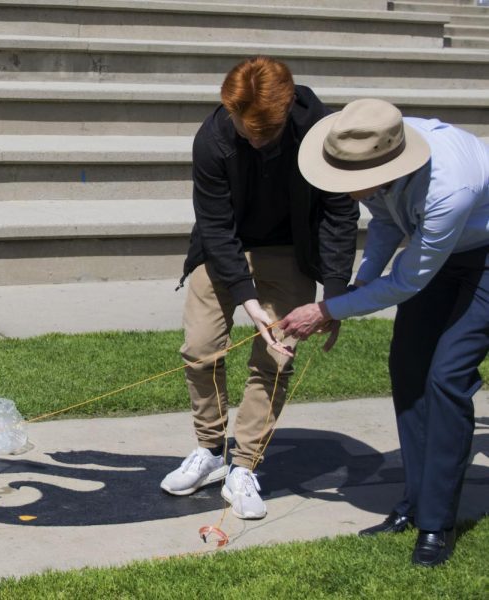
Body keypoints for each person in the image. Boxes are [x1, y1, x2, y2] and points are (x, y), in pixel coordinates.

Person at [281, 98, 489, 566]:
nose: (348, 191)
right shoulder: (375, 141)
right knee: (409, 368)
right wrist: (360, 282)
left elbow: (409, 281)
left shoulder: (449, 185)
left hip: (484, 255)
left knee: (448, 375)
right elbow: (387, 221)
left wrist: (328, 309)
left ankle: (436, 525)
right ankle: (416, 502)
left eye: (353, 184)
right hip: (440, 251)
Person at [161, 57, 359, 519]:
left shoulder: (321, 130)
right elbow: (214, 224)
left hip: (291, 251)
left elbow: (339, 213)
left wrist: (333, 297)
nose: (252, 140)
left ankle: (244, 466)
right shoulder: (212, 139)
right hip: (224, 249)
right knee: (199, 348)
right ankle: (210, 451)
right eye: (244, 131)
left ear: (286, 109)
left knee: (274, 359)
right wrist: (248, 299)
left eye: (262, 135)